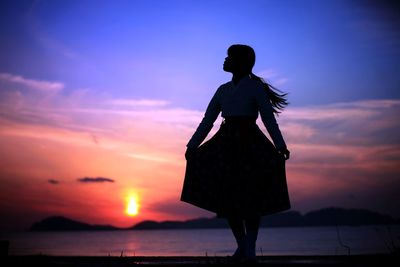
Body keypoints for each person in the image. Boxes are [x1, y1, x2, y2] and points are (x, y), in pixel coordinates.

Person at [181, 44, 290, 263]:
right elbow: (208, 120)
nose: (224, 60)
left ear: (240, 62)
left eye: (229, 57)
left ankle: (249, 248)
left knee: (251, 199)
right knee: (228, 200)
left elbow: (268, 119)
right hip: (225, 146)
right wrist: (192, 145)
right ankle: (242, 246)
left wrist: (280, 145)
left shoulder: (255, 88)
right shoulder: (222, 90)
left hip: (251, 144)